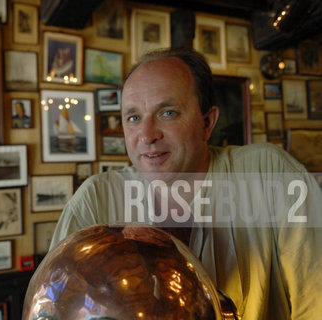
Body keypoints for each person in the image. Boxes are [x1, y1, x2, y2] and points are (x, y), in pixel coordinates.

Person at [49, 48, 322, 319]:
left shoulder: (268, 173)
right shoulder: (96, 199)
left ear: (207, 123)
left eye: (167, 113)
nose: (147, 135)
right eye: (133, 118)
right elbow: (55, 303)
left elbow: (316, 299)